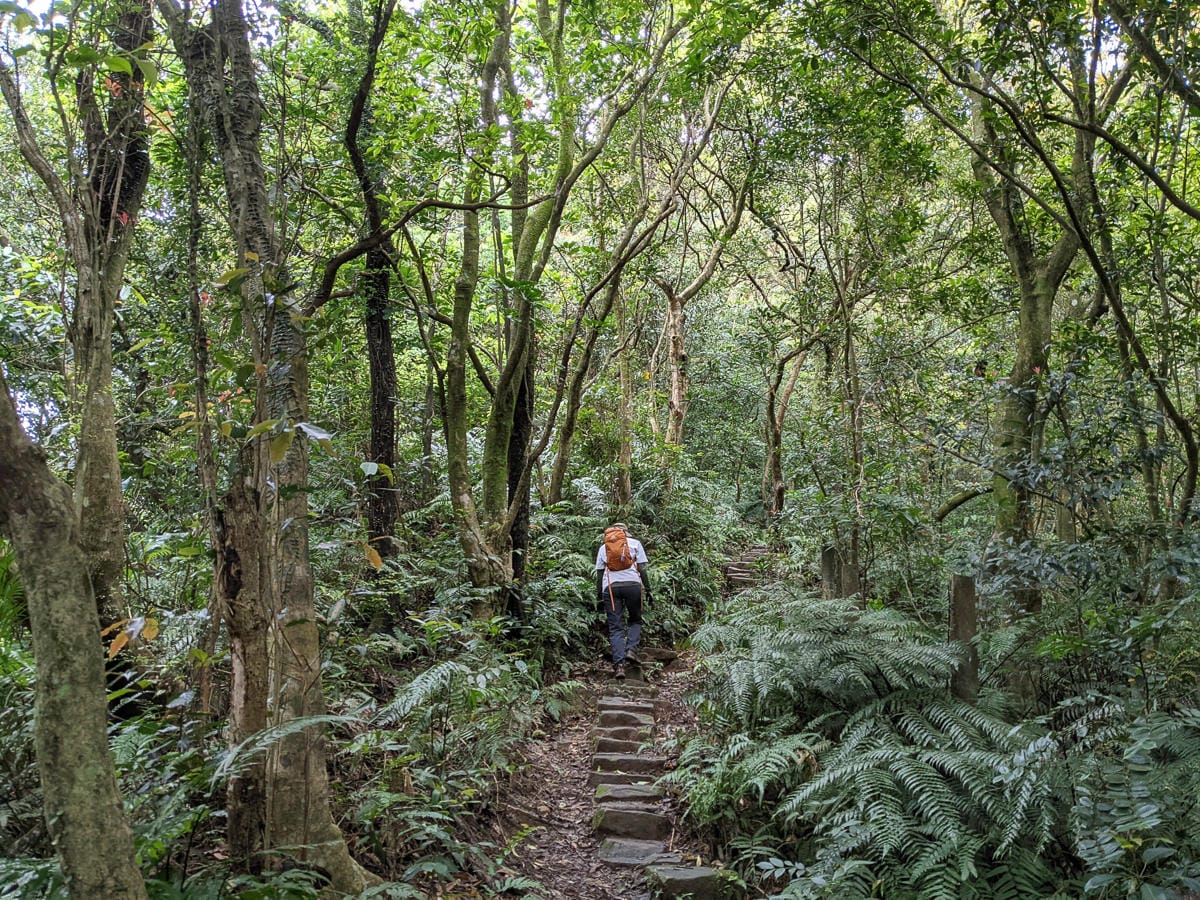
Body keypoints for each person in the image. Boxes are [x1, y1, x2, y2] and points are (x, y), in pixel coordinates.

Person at [595, 523, 651, 679]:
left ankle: (619, 666)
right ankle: (631, 650)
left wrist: (599, 596)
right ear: (626, 532)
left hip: (611, 589)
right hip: (633, 586)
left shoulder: (603, 548)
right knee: (635, 620)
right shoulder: (635, 544)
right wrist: (648, 590)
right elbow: (642, 570)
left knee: (615, 628)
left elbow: (600, 575)